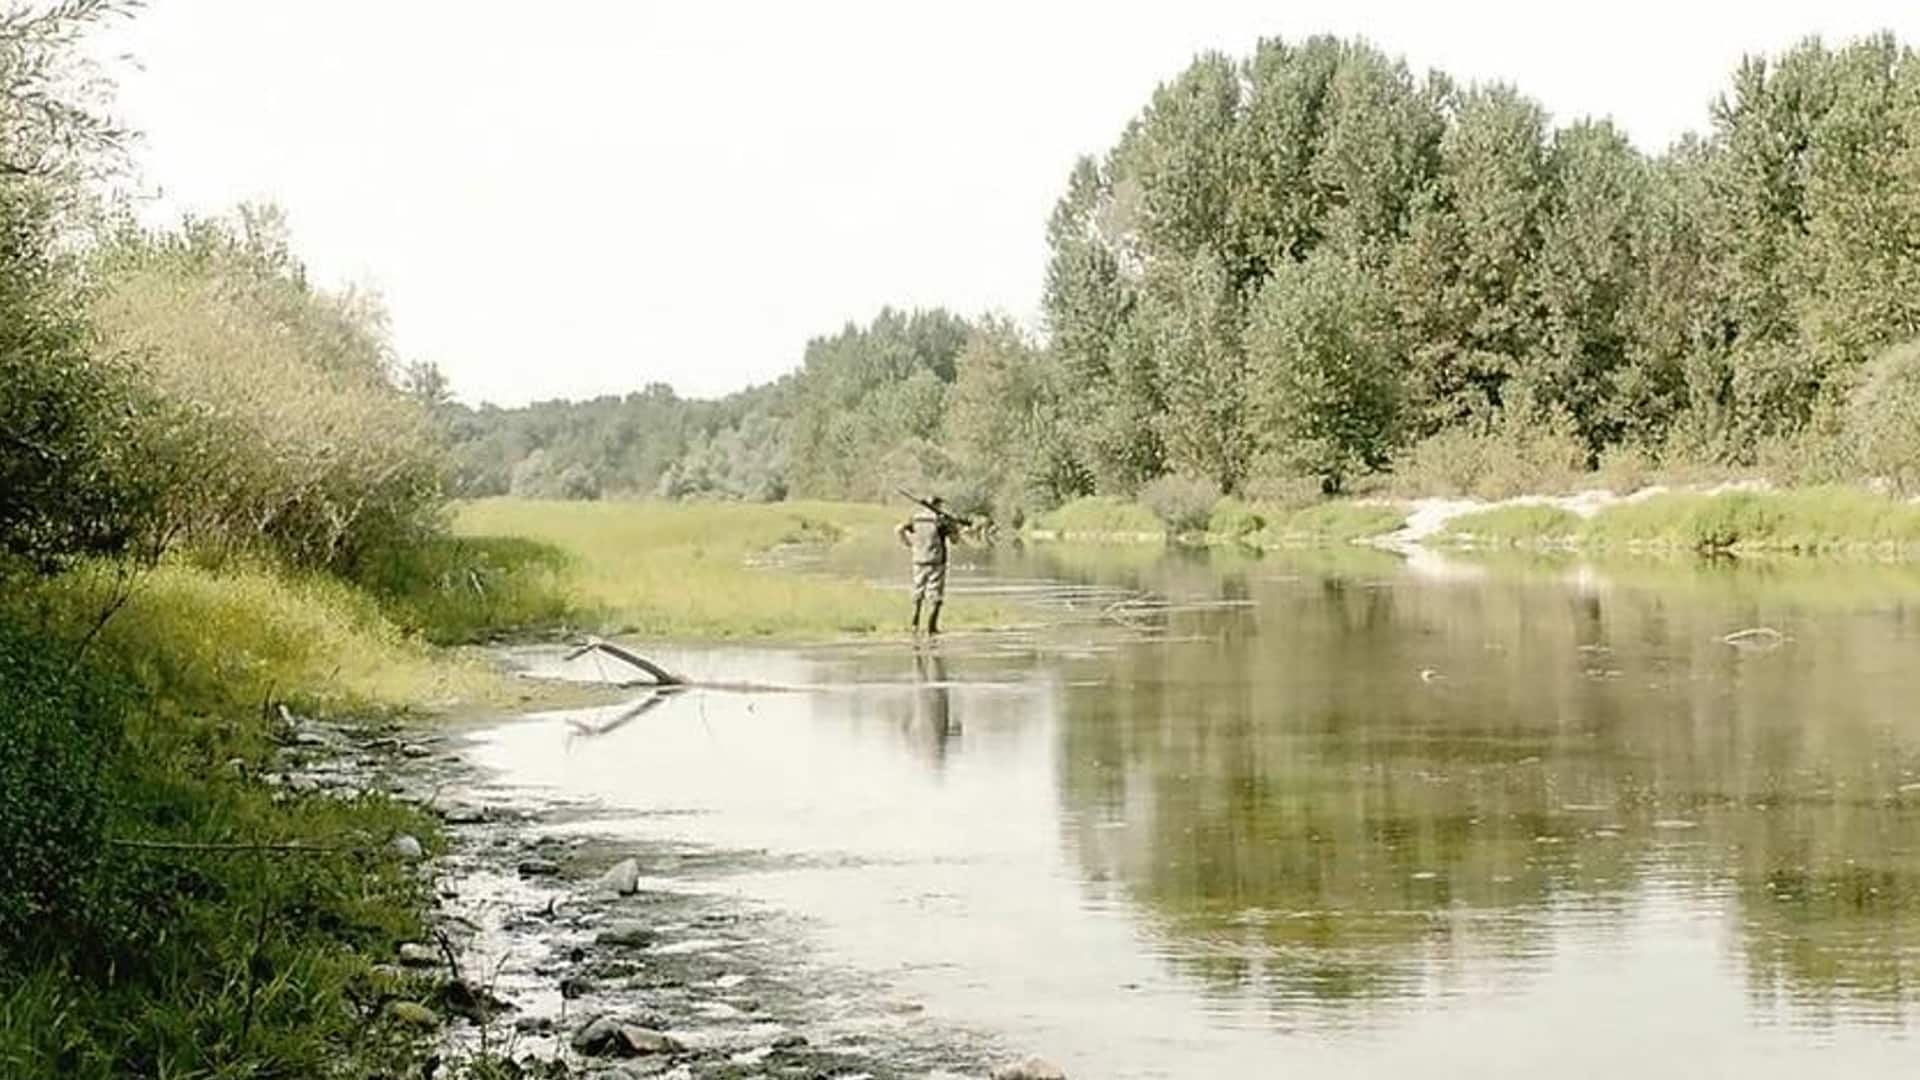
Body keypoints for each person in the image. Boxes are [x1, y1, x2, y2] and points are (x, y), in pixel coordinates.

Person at [895, 495, 960, 635]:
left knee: (918, 592)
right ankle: (932, 627)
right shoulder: (940, 520)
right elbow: (955, 540)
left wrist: (908, 544)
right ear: (937, 505)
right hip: (936, 561)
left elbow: (899, 529)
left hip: (918, 560)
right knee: (935, 595)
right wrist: (954, 528)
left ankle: (914, 624)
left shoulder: (916, 518)